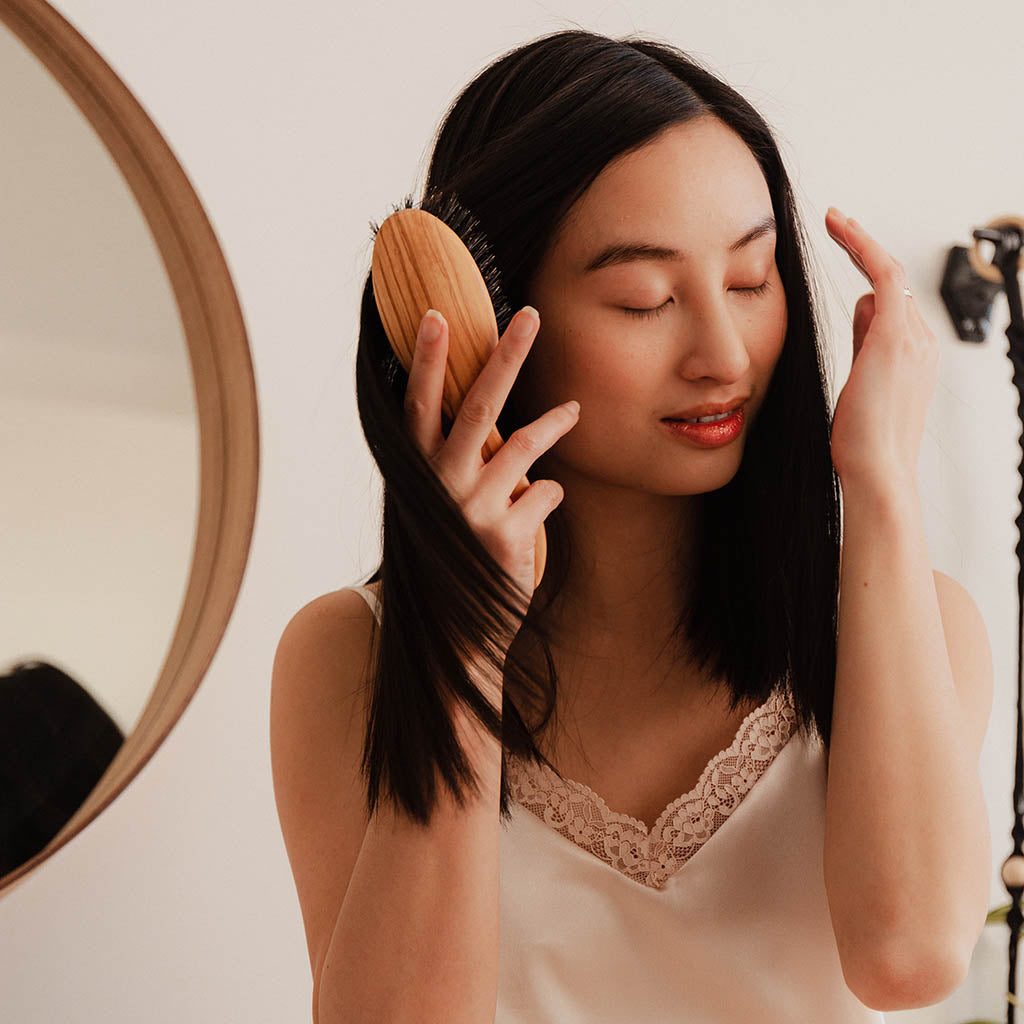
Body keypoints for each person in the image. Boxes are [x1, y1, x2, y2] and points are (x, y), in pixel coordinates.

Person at [270, 28, 978, 1024]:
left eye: (748, 280)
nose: (722, 352)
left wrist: (879, 481)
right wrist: (464, 645)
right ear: (493, 311)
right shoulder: (349, 653)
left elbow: (908, 957)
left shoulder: (913, 618)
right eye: (643, 298)